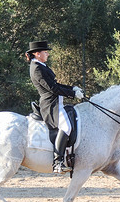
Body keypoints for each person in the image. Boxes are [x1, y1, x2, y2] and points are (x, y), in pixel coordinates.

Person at [26, 40, 84, 174]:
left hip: (57, 102)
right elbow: (52, 88)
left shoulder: (41, 65)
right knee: (66, 127)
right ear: (37, 53)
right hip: (50, 105)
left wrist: (72, 88)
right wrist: (73, 94)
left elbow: (55, 84)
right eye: (45, 52)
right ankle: (58, 162)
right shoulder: (37, 69)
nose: (47, 54)